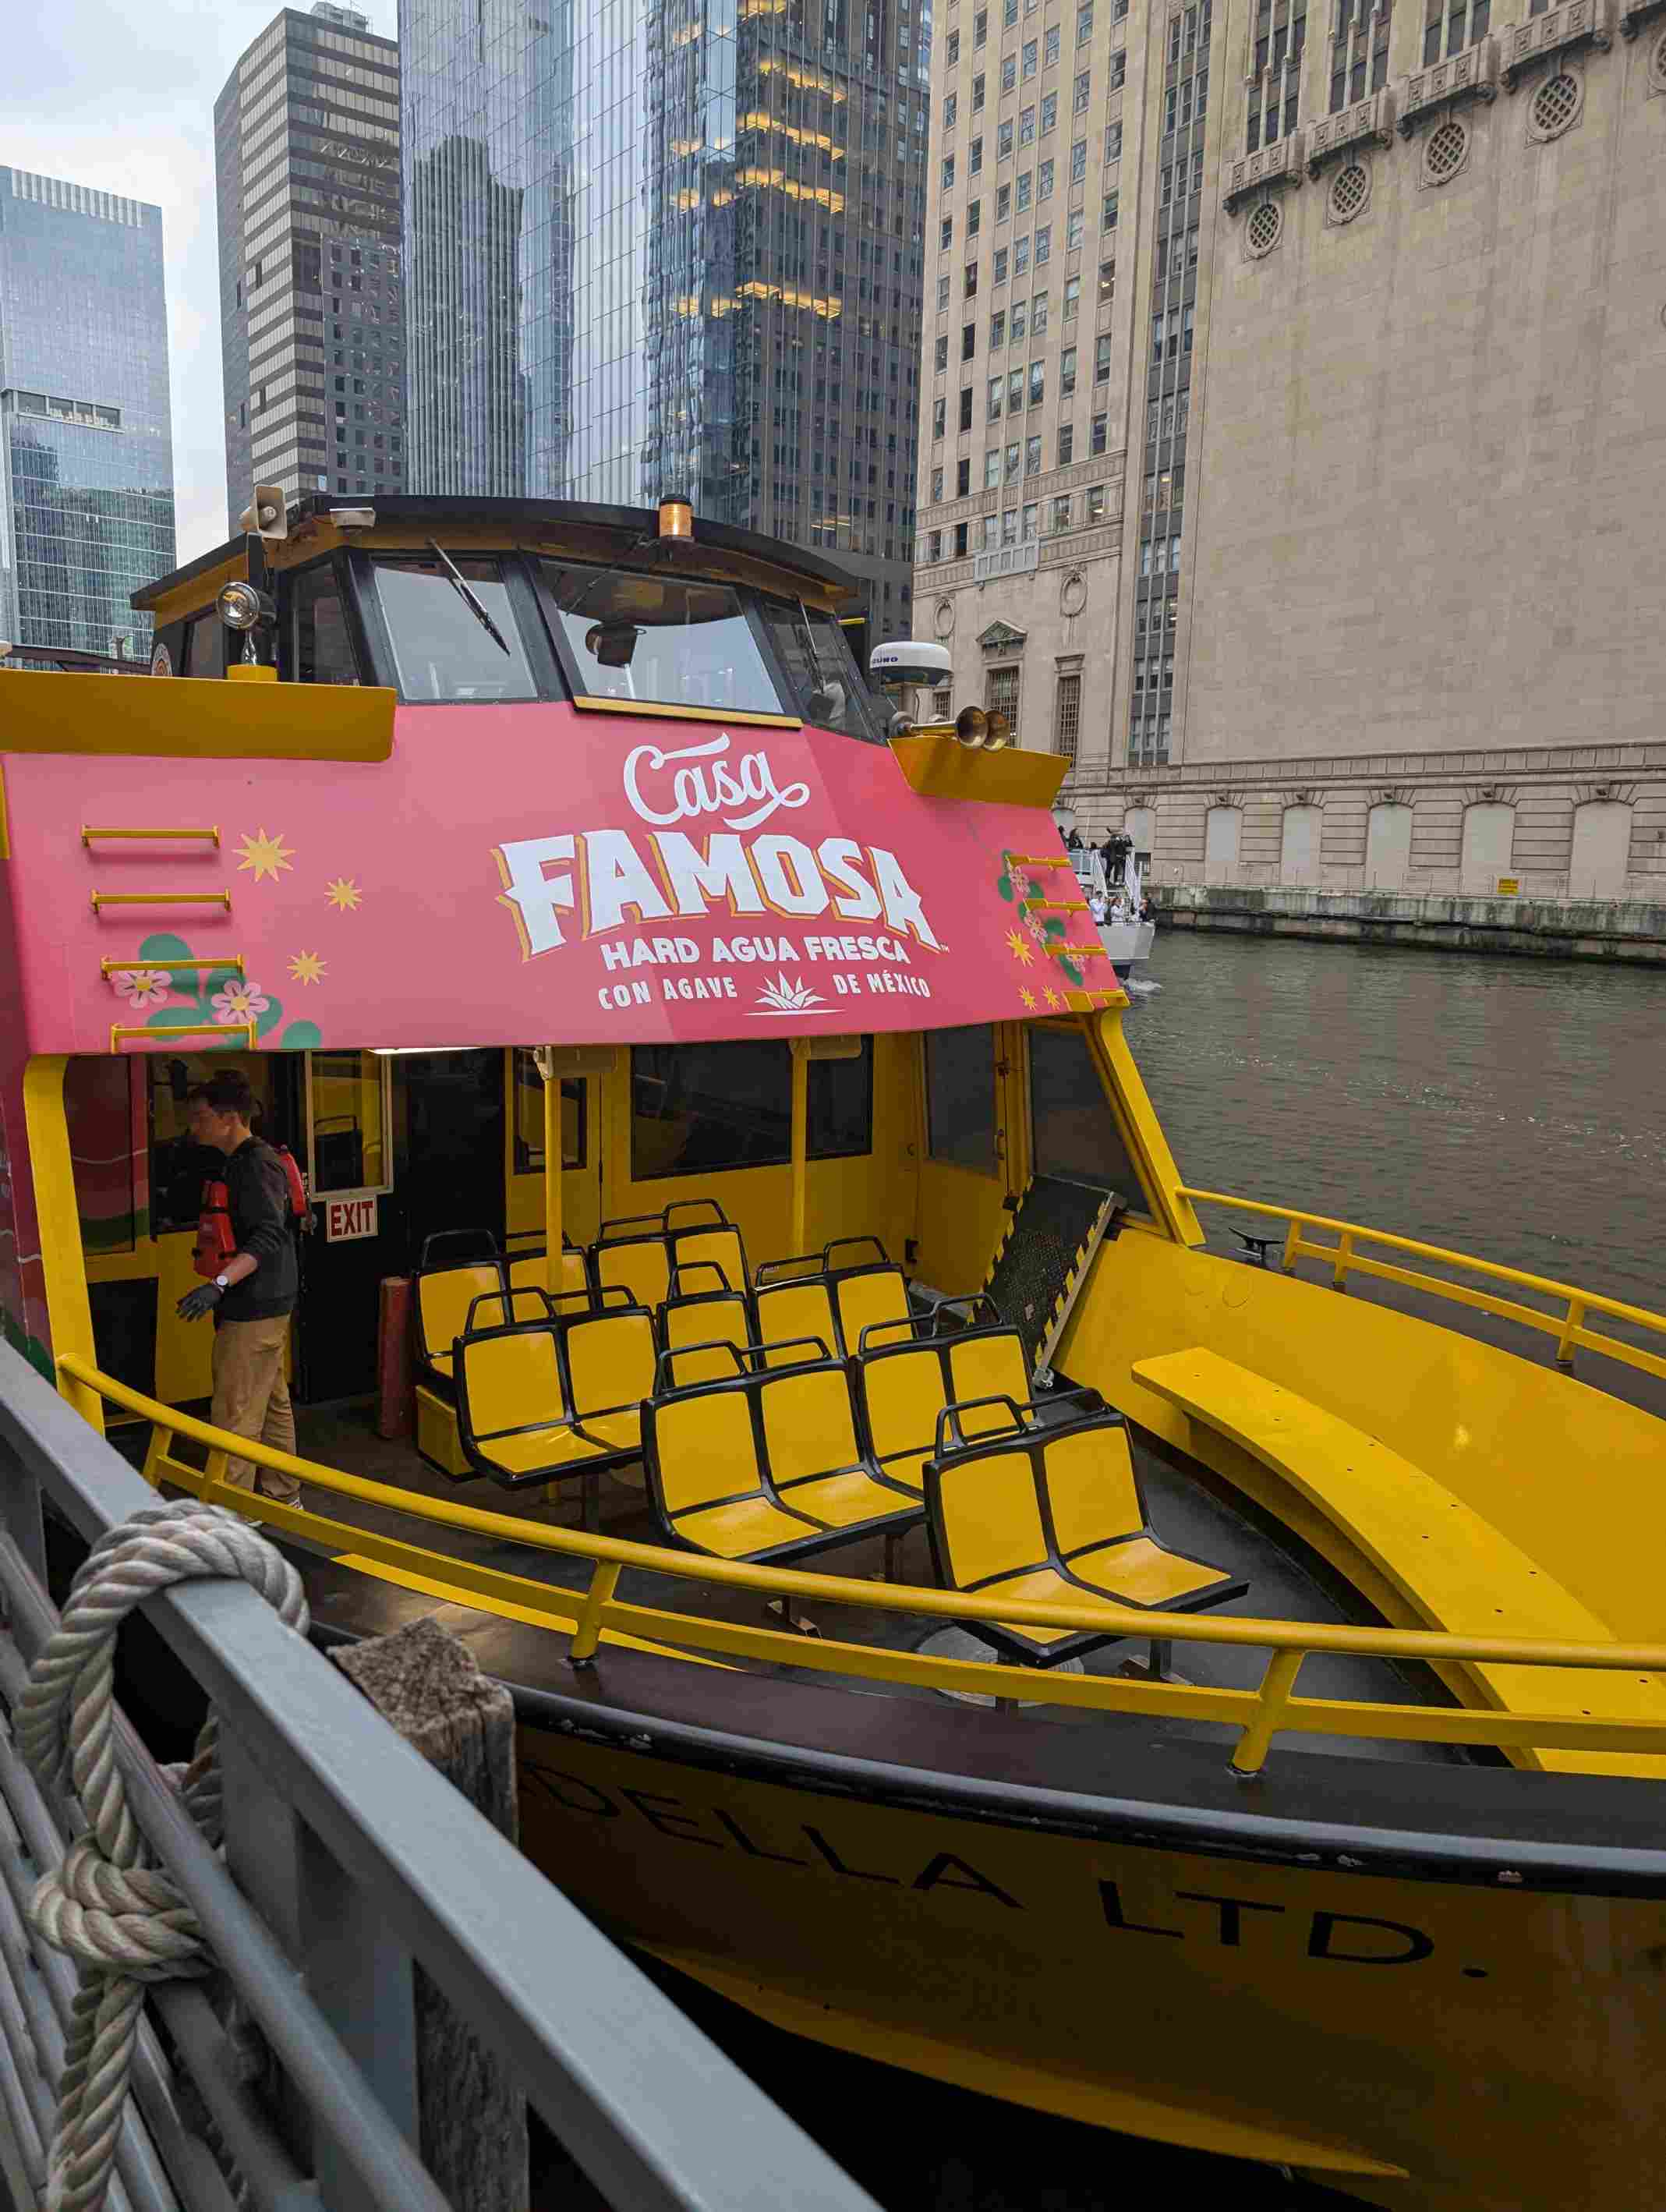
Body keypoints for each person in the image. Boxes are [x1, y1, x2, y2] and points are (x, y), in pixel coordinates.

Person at [175, 1071, 302, 1507]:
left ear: (230, 1118)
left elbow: (267, 1236)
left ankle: (233, 1513)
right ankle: (284, 1497)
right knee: (270, 1403)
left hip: (254, 1305)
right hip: (269, 1299)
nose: (194, 1126)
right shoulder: (246, 1161)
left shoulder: (253, 1164)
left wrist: (219, 1285)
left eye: (200, 1117)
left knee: (234, 1413)